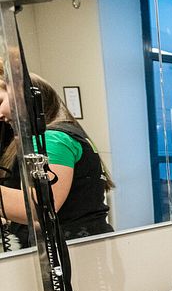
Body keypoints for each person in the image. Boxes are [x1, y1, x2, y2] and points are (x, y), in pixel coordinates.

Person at [0, 69, 115, 247]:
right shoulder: (61, 135)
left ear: (25, 98)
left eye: (1, 101)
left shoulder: (52, 139)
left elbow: (38, 208)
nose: (0, 113)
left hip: (75, 251)